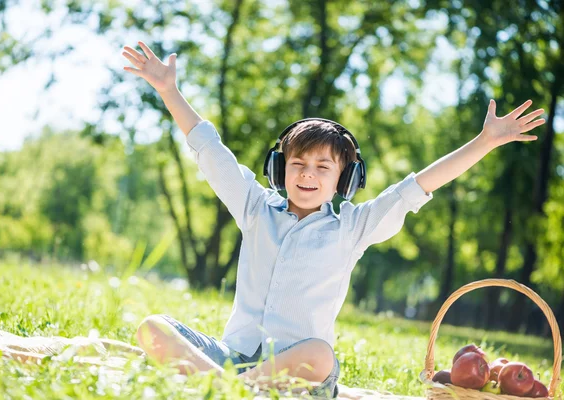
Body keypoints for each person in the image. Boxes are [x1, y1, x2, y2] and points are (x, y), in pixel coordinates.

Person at [121, 41, 545, 398]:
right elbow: (210, 151)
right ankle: (235, 388)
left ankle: (223, 390)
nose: (307, 173)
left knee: (321, 353)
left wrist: (485, 142)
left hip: (301, 374)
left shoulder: (352, 228)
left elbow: (418, 185)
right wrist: (168, 90)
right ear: (278, 169)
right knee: (153, 327)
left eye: (323, 167)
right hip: (233, 358)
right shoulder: (253, 206)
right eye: (298, 163)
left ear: (345, 179)